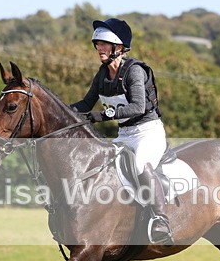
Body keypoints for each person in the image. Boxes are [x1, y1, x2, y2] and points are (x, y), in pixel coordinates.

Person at [70, 18, 174, 246]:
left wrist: (104, 115)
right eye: (97, 44)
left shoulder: (134, 71)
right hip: (125, 133)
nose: (99, 48)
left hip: (148, 131)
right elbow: (86, 104)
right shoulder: (103, 74)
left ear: (119, 48)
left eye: (104, 44)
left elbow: (139, 106)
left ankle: (161, 220)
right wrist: (60, 112)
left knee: (139, 166)